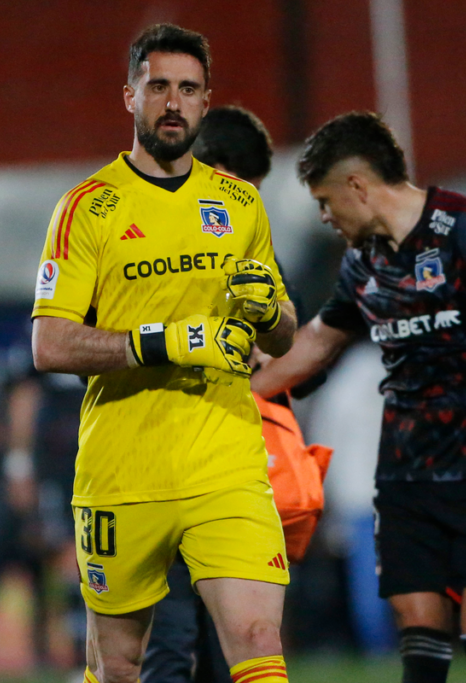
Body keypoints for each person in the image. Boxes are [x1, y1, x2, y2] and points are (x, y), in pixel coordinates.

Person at [251, 111, 466, 683]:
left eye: (325, 200)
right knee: (419, 635)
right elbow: (320, 342)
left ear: (357, 186)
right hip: (403, 475)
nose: (325, 215)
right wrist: (237, 393)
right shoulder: (363, 261)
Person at [30, 24, 297, 683]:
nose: (172, 102)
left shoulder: (240, 203)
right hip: (125, 468)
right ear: (130, 96)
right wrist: (163, 341)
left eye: (188, 89)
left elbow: (284, 330)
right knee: (121, 664)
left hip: (226, 460)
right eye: (158, 87)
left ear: (206, 102)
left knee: (259, 637)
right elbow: (49, 342)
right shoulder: (86, 208)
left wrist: (268, 311)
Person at [141, 105, 330, 683]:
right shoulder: (136, 237)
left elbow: (302, 357)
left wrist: (266, 354)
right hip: (157, 472)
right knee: (172, 648)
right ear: (219, 170)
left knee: (232, 646)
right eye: (246, 186)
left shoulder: (255, 254)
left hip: (226, 477)